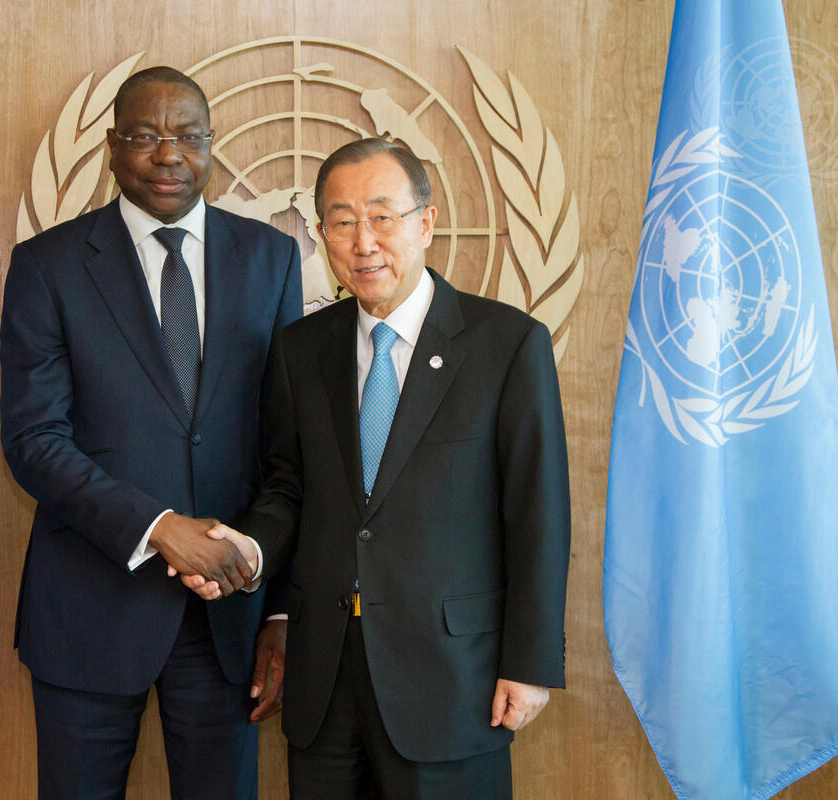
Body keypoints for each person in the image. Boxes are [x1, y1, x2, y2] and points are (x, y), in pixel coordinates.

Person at [183, 138, 570, 799]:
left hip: (452, 678)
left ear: (425, 222)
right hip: (325, 675)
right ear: (321, 234)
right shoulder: (303, 348)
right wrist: (249, 549)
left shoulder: (506, 344)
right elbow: (290, 487)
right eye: (342, 222)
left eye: (382, 217)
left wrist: (530, 663)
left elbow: (538, 514)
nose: (364, 243)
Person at [0, 66, 301, 799]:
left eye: (188, 136)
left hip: (226, 615)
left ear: (211, 144)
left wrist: (281, 606)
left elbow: (290, 450)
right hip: (89, 611)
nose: (169, 155)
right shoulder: (48, 265)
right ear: (111, 148)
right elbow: (35, 439)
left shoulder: (270, 258)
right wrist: (159, 528)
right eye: (144, 137)